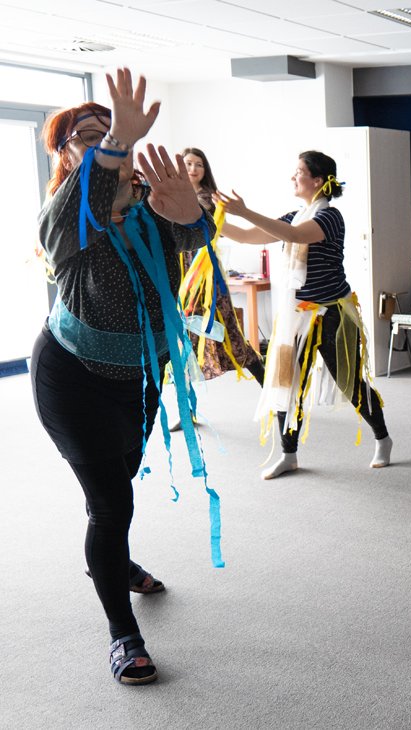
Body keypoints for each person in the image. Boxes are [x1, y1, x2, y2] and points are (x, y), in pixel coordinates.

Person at [31, 69, 215, 684]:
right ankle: (123, 635)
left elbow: (194, 236)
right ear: (65, 157)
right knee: (110, 503)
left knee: (121, 478)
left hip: (139, 377)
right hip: (72, 379)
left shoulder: (148, 209)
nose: (109, 141)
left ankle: (115, 560)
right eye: (87, 136)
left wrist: (194, 214)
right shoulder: (67, 222)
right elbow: (81, 202)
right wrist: (113, 145)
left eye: (115, 133)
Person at [216, 151, 392, 479]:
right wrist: (208, 219)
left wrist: (245, 210)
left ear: (318, 180)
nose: (293, 177)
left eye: (299, 172)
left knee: (350, 384)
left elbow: (294, 236)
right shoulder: (294, 216)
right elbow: (248, 236)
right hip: (297, 315)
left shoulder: (330, 217)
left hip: (333, 314)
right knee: (286, 382)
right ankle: (289, 455)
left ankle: (383, 438)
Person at [177, 147, 264, 385]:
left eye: (198, 165)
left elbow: (206, 222)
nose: (193, 169)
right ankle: (187, 396)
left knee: (226, 326)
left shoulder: (207, 199)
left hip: (205, 274)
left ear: (205, 171)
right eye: (188, 164)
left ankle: (263, 379)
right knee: (184, 331)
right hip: (181, 271)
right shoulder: (174, 196)